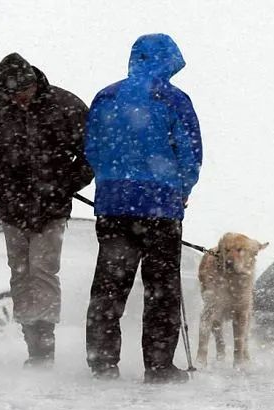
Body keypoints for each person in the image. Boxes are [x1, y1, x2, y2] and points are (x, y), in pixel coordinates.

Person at [84, 34, 202, 383]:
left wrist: (111, 179)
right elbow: (190, 152)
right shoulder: (174, 100)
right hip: (160, 207)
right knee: (161, 290)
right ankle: (159, 366)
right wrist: (183, 189)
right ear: (167, 61)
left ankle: (102, 364)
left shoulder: (106, 96)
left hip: (114, 205)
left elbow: (93, 148)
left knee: (108, 287)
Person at [0, 53, 93, 368]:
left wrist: (61, 187)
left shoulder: (66, 107)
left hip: (51, 210)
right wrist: (5, 196)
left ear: (34, 83)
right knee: (20, 274)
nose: (20, 100)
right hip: (13, 211)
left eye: (23, 93)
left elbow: (91, 154)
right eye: (12, 96)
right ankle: (32, 342)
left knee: (42, 271)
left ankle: (44, 345)